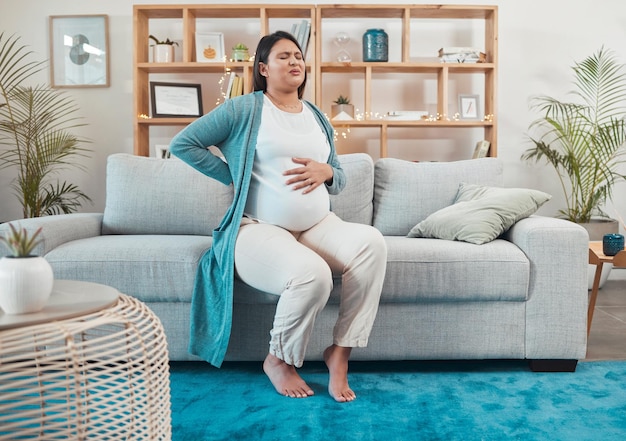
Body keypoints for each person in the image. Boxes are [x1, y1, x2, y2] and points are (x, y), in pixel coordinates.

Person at [169, 30, 387, 402]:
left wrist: (328, 172)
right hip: (260, 228)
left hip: (318, 225)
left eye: (298, 56)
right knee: (312, 276)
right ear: (264, 68)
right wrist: (233, 175)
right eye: (283, 56)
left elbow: (338, 174)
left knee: (372, 244)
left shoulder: (317, 116)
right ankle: (278, 360)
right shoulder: (245, 108)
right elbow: (183, 144)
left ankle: (341, 352)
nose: (295, 62)